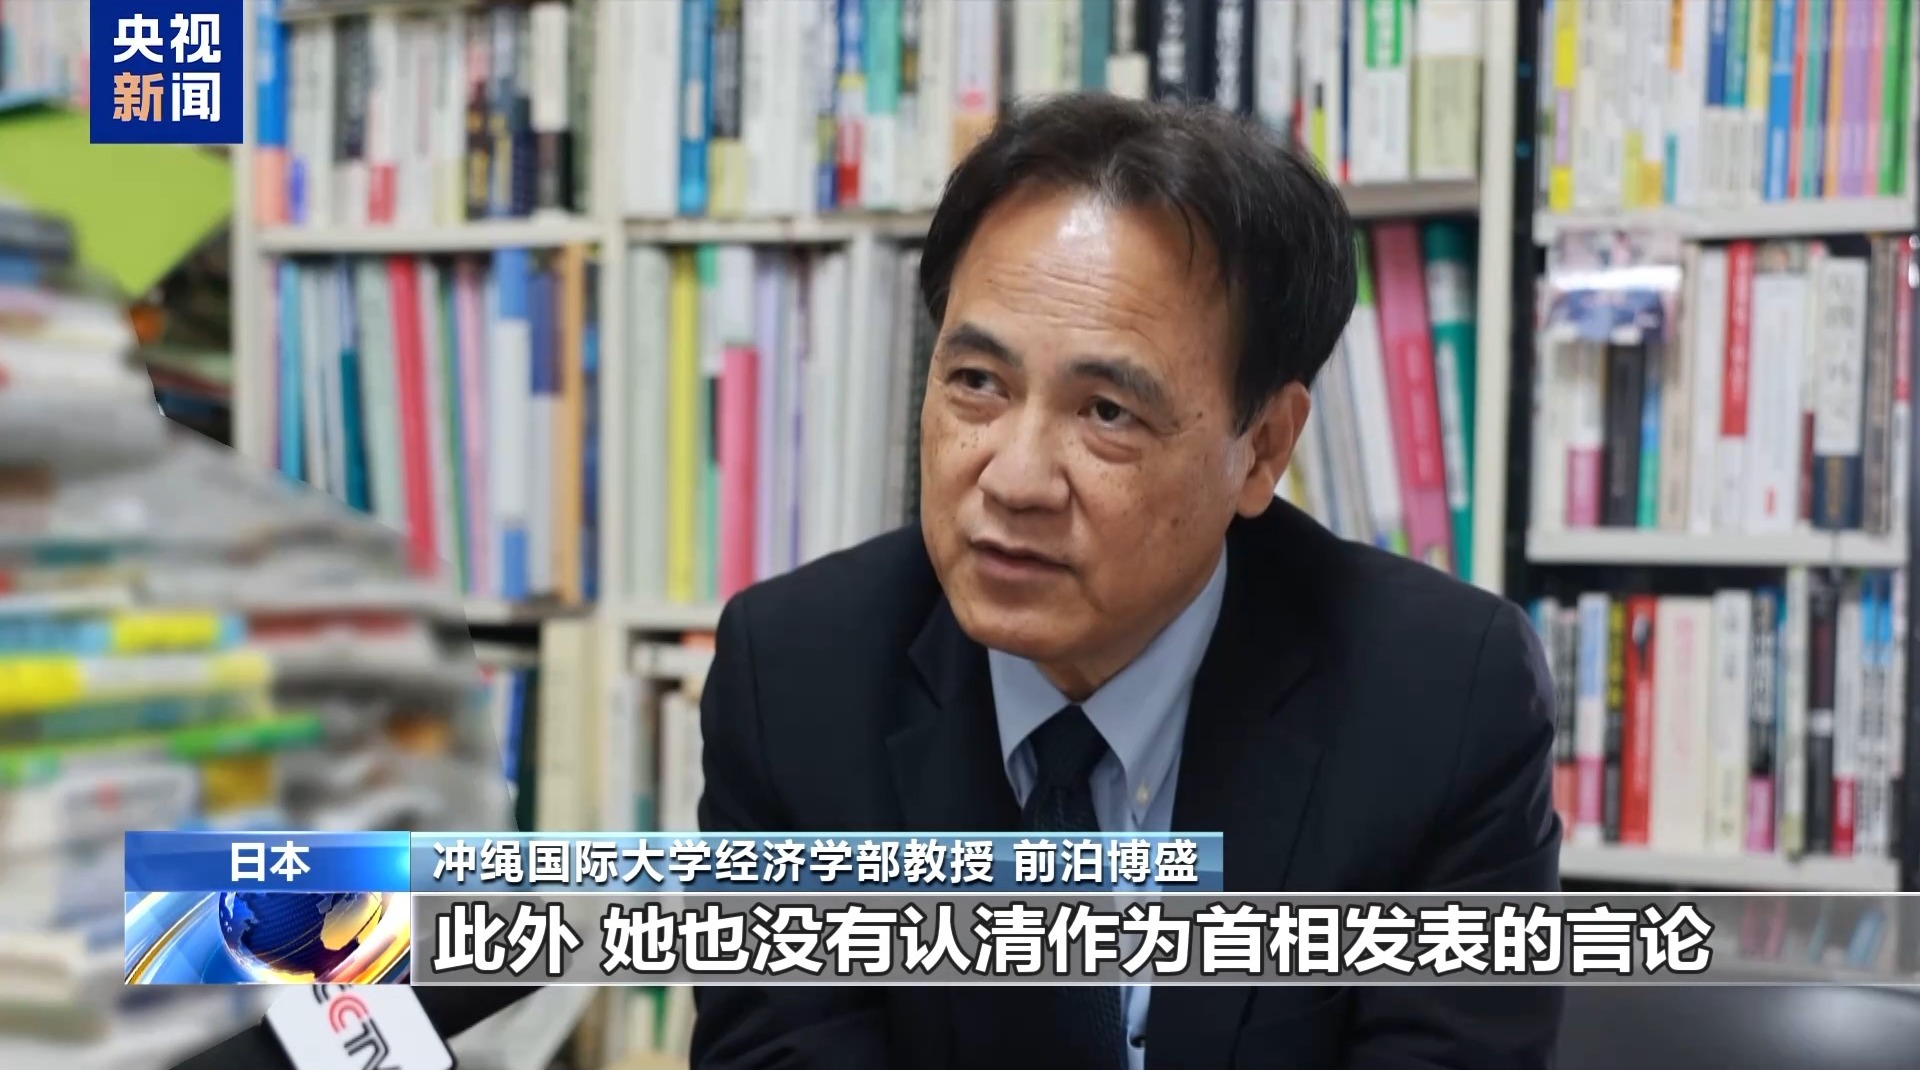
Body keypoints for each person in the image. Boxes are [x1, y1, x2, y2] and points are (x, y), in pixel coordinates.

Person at [690, 92, 1563, 1070]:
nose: (1014, 480)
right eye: (977, 382)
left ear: (1263, 448)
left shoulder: (1443, 703)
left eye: (1106, 411)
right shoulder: (794, 680)